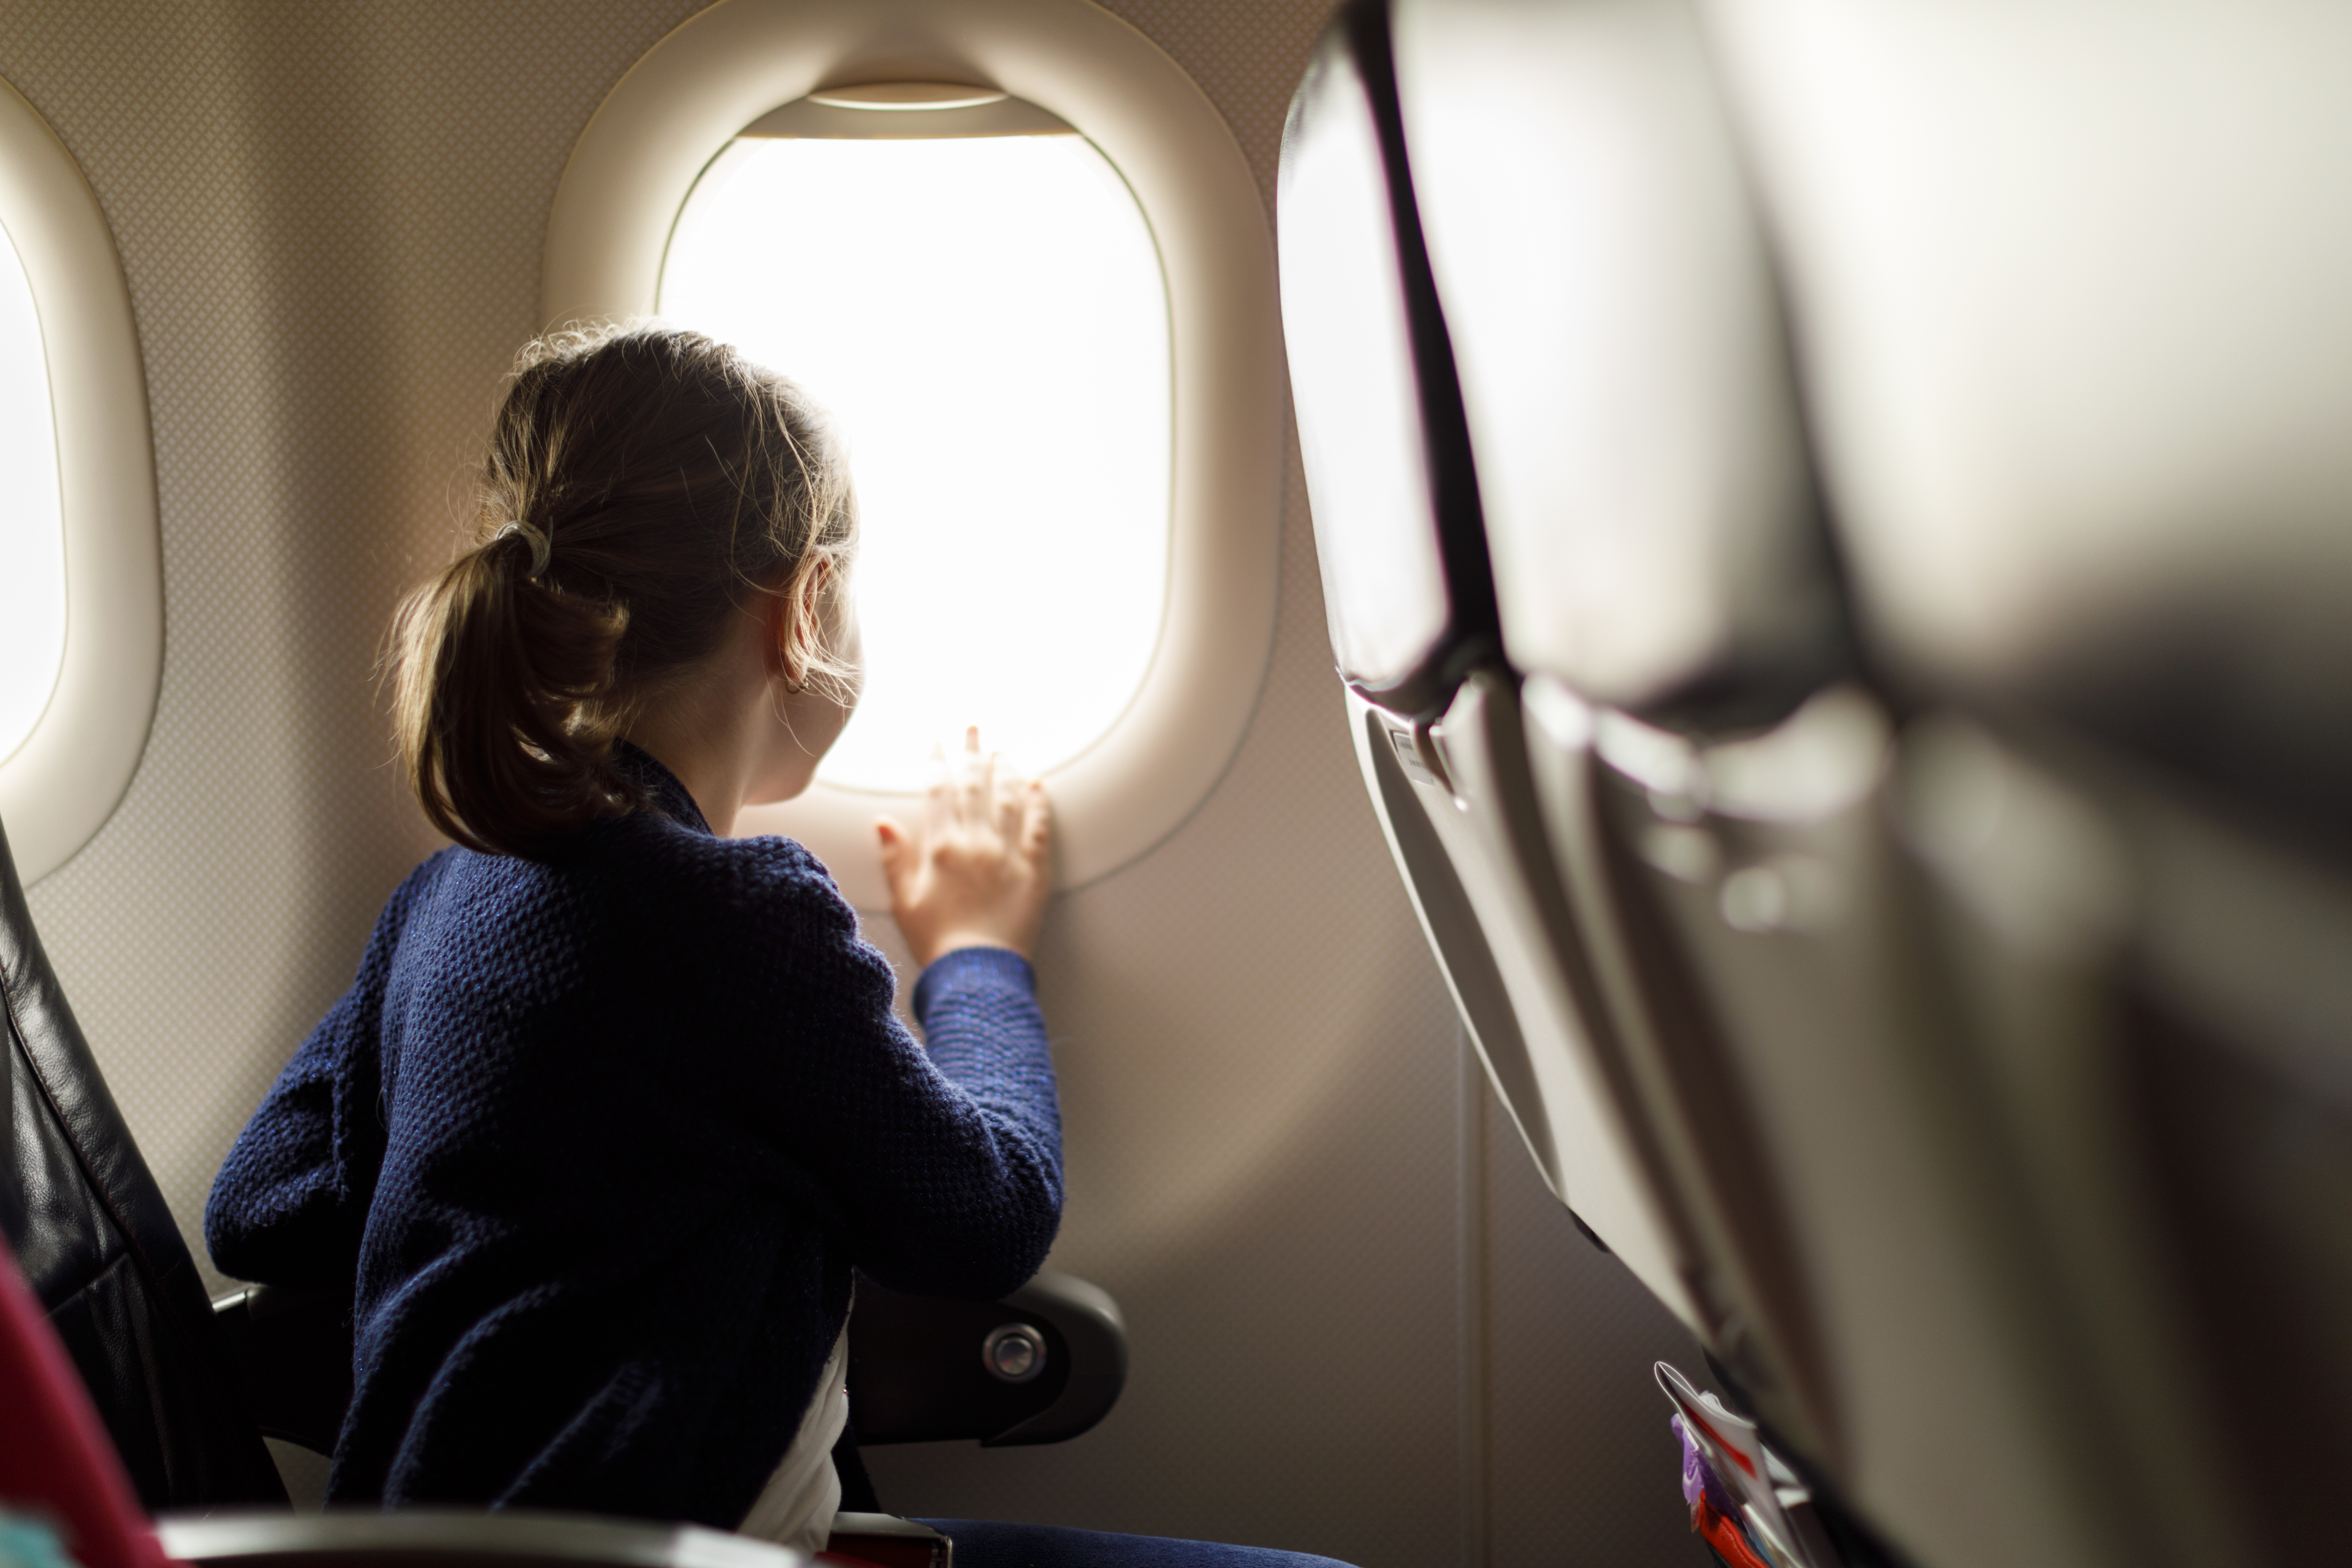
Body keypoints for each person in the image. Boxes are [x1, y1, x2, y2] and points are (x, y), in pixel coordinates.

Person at [202, 326, 1354, 1568]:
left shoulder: (446, 896)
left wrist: (520, 1173)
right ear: (804, 604)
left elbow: (257, 1207)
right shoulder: (743, 917)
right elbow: (991, 1218)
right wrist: (973, 953)